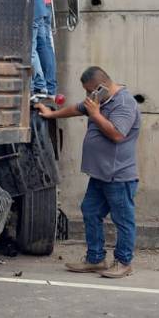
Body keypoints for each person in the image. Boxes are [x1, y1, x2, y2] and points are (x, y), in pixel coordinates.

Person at [36, 67, 141, 279]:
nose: (86, 96)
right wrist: (52, 114)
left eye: (88, 91)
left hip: (118, 175)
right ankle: (95, 259)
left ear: (100, 87)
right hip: (100, 174)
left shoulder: (124, 103)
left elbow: (117, 134)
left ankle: (123, 262)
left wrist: (95, 114)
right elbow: (77, 109)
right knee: (90, 211)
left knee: (123, 219)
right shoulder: (99, 100)